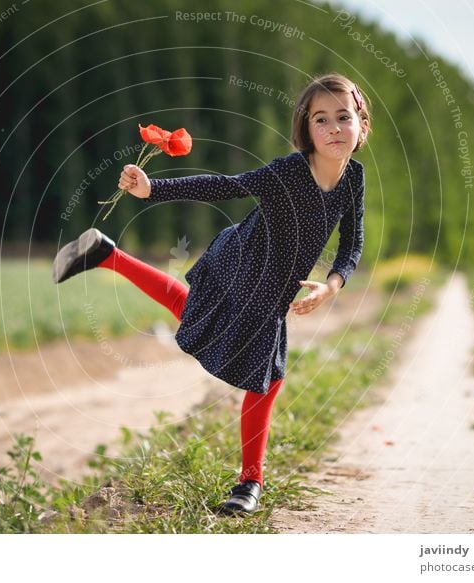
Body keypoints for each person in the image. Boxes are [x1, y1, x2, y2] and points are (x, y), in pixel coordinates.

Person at [52, 73, 370, 515]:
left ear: (361, 125)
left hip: (275, 286)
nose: (334, 127)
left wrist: (331, 285)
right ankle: (249, 484)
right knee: (269, 378)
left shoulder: (354, 179)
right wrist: (153, 189)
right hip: (244, 263)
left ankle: (106, 254)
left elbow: (352, 244)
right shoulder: (287, 173)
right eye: (322, 119)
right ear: (306, 130)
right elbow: (225, 185)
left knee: (195, 317)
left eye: (344, 116)